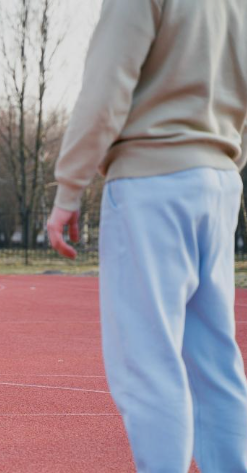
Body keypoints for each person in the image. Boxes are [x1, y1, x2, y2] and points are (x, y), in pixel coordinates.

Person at [46, 1, 247, 471]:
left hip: (151, 180)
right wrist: (222, 162)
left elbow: (106, 86)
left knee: (149, 362)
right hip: (219, 179)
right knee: (215, 362)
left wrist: (70, 187)